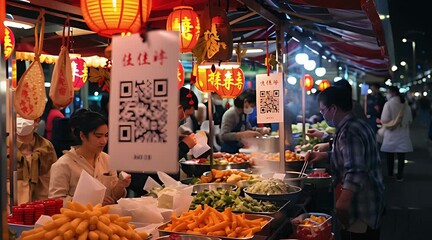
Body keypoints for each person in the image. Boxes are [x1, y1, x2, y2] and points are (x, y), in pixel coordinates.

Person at [306, 87, 385, 240]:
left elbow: (356, 169)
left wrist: (343, 202)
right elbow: (352, 156)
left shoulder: (349, 131)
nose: (322, 114)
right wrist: (323, 155)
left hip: (360, 206)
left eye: (323, 110)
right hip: (371, 200)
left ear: (333, 108)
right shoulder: (358, 124)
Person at [48, 109, 131, 205]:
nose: (103, 141)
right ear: (82, 136)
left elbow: (114, 196)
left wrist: (120, 186)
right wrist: (90, 200)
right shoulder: (63, 165)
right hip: (78, 218)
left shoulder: (107, 159)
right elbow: (56, 201)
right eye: (98, 136)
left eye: (106, 135)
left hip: (106, 217)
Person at [7, 116, 57, 204]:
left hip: (42, 209)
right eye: (18, 115)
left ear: (37, 121)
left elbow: (55, 180)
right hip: (10, 212)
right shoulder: (4, 148)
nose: (21, 119)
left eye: (25, 116)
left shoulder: (47, 147)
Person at [380, 86, 413, 181]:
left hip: (391, 133)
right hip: (403, 132)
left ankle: (390, 173)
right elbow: (410, 119)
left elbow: (384, 119)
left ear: (393, 93)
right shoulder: (405, 104)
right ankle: (400, 176)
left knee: (390, 154)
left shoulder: (388, 104)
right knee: (401, 155)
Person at [220, 89, 268, 153]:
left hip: (239, 150)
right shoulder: (230, 114)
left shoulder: (244, 114)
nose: (252, 108)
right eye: (252, 106)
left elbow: (249, 129)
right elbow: (224, 136)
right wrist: (241, 135)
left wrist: (260, 130)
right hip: (228, 151)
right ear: (246, 102)